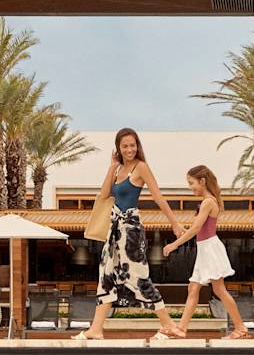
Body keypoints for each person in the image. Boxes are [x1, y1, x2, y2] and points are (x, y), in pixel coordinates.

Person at [75, 128, 184, 340]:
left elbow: (158, 197)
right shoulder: (118, 169)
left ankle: (168, 323)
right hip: (114, 231)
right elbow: (104, 194)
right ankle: (96, 329)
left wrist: (175, 223)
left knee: (139, 276)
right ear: (118, 148)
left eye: (132, 145)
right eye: (124, 146)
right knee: (106, 275)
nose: (129, 149)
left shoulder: (141, 167)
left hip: (131, 230)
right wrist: (111, 166)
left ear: (137, 146)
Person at [162, 165, 251, 338]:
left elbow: (196, 229)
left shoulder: (208, 202)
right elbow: (198, 230)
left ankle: (240, 328)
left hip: (209, 249)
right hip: (206, 248)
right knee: (194, 288)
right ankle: (181, 329)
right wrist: (183, 233)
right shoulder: (209, 201)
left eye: (191, 183)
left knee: (218, 289)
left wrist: (174, 245)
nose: (190, 187)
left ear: (202, 181)